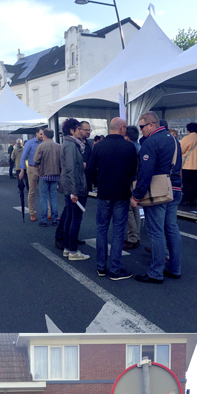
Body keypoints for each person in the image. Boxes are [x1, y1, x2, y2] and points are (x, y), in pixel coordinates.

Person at [130, 111, 182, 283]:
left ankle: (156, 272)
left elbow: (145, 172)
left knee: (156, 231)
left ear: (151, 125)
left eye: (142, 126)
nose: (141, 130)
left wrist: (136, 196)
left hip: (158, 191)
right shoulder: (173, 139)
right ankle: (174, 267)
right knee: (171, 228)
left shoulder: (151, 142)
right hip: (175, 187)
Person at [88, 117, 138, 281]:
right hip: (122, 194)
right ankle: (115, 269)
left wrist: (98, 183)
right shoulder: (129, 147)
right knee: (118, 230)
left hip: (104, 193)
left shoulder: (98, 146)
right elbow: (133, 171)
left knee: (101, 229)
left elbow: (90, 170)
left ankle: (101, 267)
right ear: (122, 128)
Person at [59, 118, 90, 262]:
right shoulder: (71, 145)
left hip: (70, 185)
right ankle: (72, 251)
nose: (80, 131)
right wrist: (74, 191)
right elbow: (70, 168)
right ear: (72, 130)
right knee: (75, 218)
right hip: (75, 186)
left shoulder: (68, 143)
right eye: (78, 129)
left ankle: (67, 248)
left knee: (70, 217)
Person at [33, 127, 61, 227]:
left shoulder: (41, 146)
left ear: (44, 136)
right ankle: (54, 219)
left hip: (44, 175)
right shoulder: (59, 146)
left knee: (43, 197)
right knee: (53, 197)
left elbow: (35, 160)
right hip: (56, 174)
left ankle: (44, 220)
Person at [124, 126, 142, 250]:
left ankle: (132, 237)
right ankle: (137, 236)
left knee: (129, 209)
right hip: (138, 181)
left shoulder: (129, 148)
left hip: (130, 181)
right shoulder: (140, 147)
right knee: (136, 209)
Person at [19, 129, 44, 221]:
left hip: (42, 169)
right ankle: (32, 213)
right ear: (36, 133)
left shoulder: (44, 142)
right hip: (32, 168)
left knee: (43, 191)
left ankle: (48, 212)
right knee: (32, 191)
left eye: (43, 134)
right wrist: (22, 170)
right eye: (41, 134)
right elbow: (23, 157)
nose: (42, 136)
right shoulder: (29, 143)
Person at [179, 122, 197, 205]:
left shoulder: (187, 138)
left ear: (188, 130)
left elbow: (181, 150)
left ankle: (187, 199)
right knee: (194, 182)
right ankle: (193, 199)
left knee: (186, 182)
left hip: (188, 164)